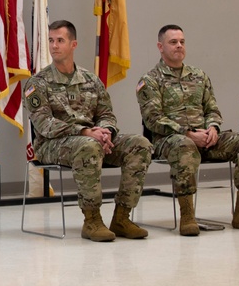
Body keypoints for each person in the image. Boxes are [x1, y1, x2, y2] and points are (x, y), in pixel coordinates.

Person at [136, 24, 239, 235]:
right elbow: (153, 119)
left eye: (182, 42)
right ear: (160, 47)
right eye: (173, 42)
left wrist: (213, 128)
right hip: (170, 140)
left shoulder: (199, 76)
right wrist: (188, 133)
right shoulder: (150, 80)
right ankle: (188, 216)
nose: (179, 46)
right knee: (185, 145)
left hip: (206, 138)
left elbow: (212, 109)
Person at [23, 20, 152, 242]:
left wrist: (105, 131)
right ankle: (92, 220)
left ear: (73, 44)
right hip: (52, 145)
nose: (54, 46)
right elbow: (44, 125)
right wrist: (84, 132)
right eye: (51, 40)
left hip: (91, 139)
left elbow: (107, 114)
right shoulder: (38, 83)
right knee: (89, 146)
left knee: (140, 145)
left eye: (60, 40)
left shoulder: (91, 80)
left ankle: (122, 217)